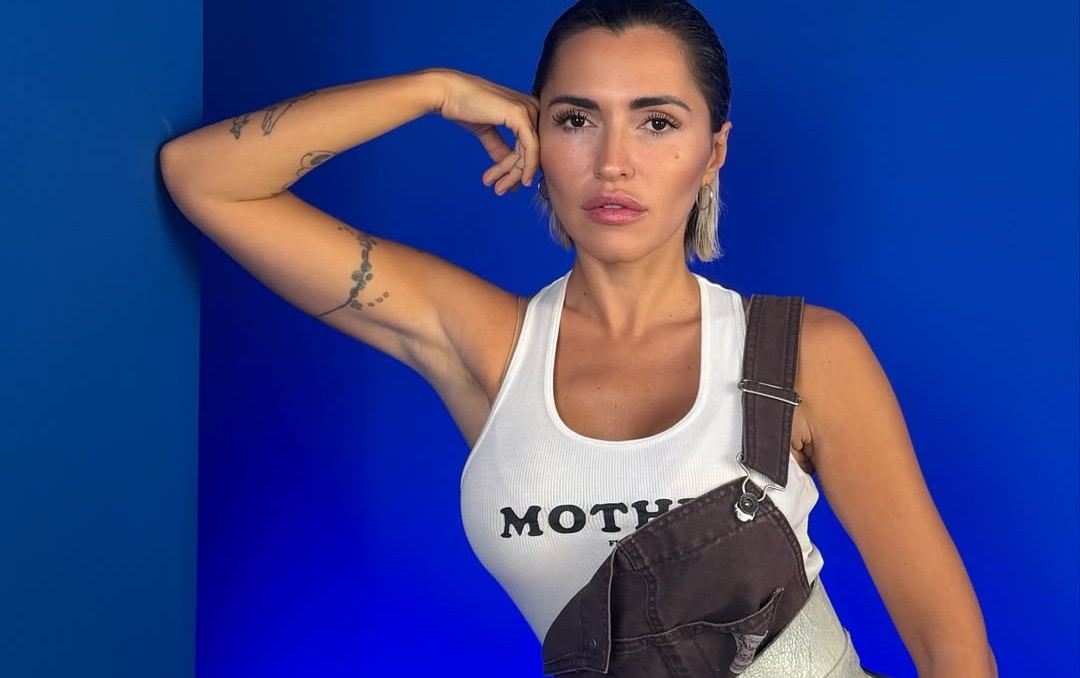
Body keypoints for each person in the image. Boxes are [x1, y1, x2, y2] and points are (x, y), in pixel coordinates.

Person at [159, 1, 996, 675]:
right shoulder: (491, 348)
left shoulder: (802, 353)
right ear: (536, 134)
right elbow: (205, 180)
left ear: (714, 151)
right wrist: (435, 90)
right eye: (575, 119)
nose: (613, 162)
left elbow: (953, 652)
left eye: (657, 122)